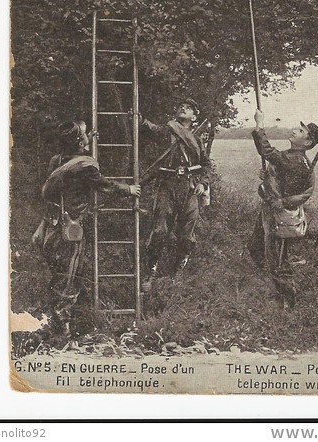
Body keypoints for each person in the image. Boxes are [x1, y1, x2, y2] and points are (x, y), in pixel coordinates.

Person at [32, 120, 141, 343]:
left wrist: (85, 139)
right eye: (83, 135)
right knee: (70, 274)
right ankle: (63, 330)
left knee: (58, 272)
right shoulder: (85, 166)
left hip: (51, 224)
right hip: (71, 227)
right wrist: (128, 189)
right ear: (79, 142)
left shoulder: (57, 161)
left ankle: (50, 320)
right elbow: (104, 185)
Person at [248, 108, 318, 295]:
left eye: (301, 131)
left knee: (278, 259)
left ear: (307, 141)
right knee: (257, 248)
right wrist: (269, 175)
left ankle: (286, 299)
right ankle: (261, 287)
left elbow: (266, 151)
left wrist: (259, 125)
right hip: (272, 210)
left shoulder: (295, 159)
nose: (294, 131)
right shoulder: (293, 157)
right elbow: (281, 173)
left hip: (279, 215)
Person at [137, 98, 211, 277]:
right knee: (160, 229)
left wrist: (202, 183)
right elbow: (151, 128)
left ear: (194, 117)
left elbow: (206, 165)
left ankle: (179, 266)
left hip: (190, 187)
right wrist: (140, 121)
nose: (184, 108)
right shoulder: (167, 131)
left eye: (189, 108)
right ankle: (152, 265)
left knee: (187, 234)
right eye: (181, 107)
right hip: (168, 185)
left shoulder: (197, 140)